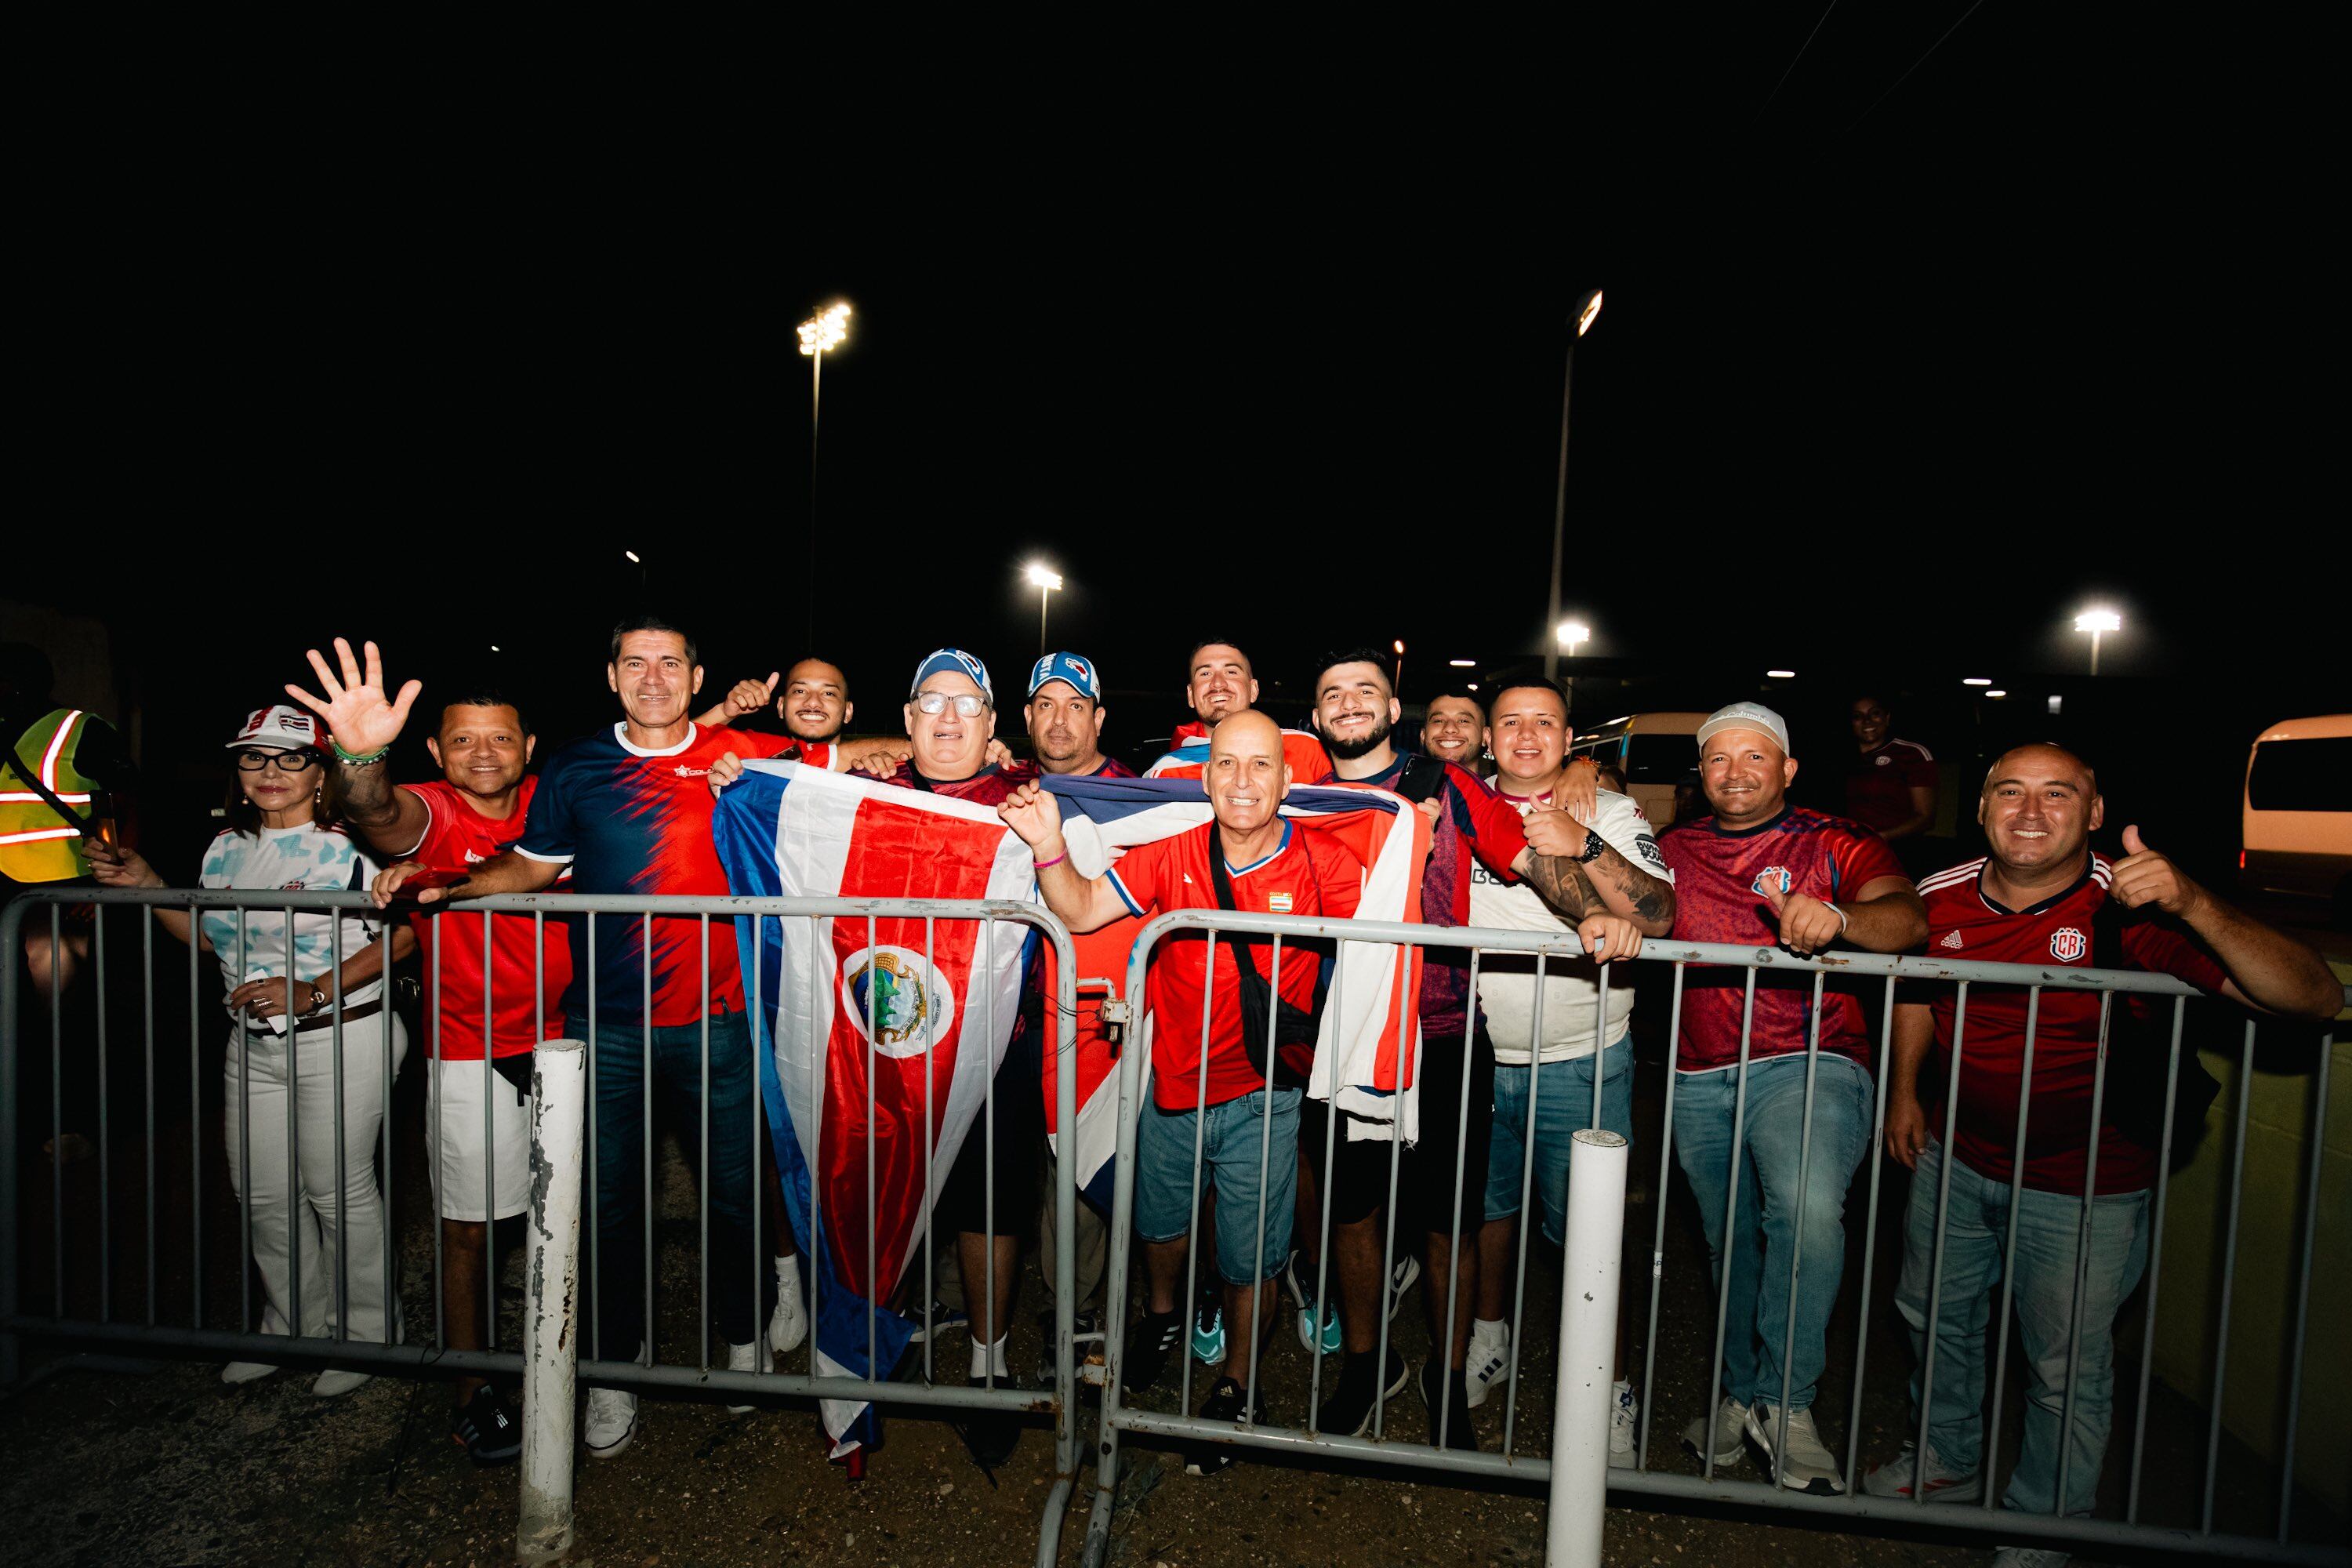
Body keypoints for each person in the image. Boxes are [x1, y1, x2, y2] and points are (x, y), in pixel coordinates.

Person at [1861, 746, 2339, 1566]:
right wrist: (1907, 1091)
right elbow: (1920, 984)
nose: (2030, 811)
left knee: (2064, 1366)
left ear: (2093, 812)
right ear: (1980, 809)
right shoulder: (1938, 896)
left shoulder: (2132, 910)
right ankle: (1943, 1462)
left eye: (2059, 794)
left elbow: (2316, 997)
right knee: (1936, 1320)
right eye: (2010, 791)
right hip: (1958, 1157)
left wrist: (2193, 900)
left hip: (2089, 1185)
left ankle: (2047, 1523)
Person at [384, 615, 811, 1461]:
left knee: (736, 1197)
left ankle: (742, 1340)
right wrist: (456, 885)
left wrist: (888, 749)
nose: (653, 676)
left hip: (721, 1018)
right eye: (635, 662)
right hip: (606, 1026)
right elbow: (532, 868)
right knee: (609, 1207)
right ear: (612, 677)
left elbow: (858, 760)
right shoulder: (577, 767)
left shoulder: (751, 755)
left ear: (696, 678)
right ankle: (615, 1365)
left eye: (670, 663)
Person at [1000, 710, 1364, 1471]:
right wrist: (1046, 844)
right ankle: (1162, 1319)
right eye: (1227, 764)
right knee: (1161, 1229)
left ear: (1286, 780)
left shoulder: (1324, 861)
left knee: (1250, 1261)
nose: (1242, 780)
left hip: (1267, 1098)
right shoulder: (1171, 854)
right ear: (1203, 777)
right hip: (1170, 1090)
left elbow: (1388, 935)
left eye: (1260, 765)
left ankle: (1239, 1381)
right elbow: (1078, 906)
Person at [717, 647, 1047, 1468]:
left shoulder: (1030, 799)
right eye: (931, 700)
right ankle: (862, 1361)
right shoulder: (866, 793)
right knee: (875, 1193)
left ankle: (987, 1358)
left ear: (992, 724)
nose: (948, 717)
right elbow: (791, 799)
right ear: (905, 720)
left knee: (990, 1205)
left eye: (967, 704)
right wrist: (740, 783)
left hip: (992, 1043)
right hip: (878, 1048)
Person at [1308, 648, 1624, 1449]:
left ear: (1392, 707)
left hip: (1444, 1031)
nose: (1349, 704)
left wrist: (1591, 911)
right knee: (1354, 1214)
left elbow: (1522, 856)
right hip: (1337, 1040)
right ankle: (1365, 1363)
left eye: (1365, 691)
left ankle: (1448, 1383)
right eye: (1333, 693)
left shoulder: (1445, 783)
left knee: (1449, 1220)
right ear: (1315, 716)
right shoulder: (1296, 783)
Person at [284, 639, 588, 1463]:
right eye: (462, 738)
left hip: (576, 1044)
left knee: (570, 1222)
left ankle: (565, 1367)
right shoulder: (431, 809)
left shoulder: (561, 804)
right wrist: (356, 749)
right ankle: (472, 1386)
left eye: (499, 737)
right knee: (469, 1231)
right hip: (471, 1048)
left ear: (530, 746)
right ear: (435, 749)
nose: (481, 752)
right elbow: (374, 806)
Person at [87, 705, 413, 1396]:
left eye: (292, 757)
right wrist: (148, 887)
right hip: (253, 1045)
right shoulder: (225, 849)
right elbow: (211, 940)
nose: (271, 771)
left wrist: (316, 990)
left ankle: (369, 1335)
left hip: (344, 1032)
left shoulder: (357, 846)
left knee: (338, 1189)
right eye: (254, 757)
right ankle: (290, 1324)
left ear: (322, 771)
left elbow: (409, 935)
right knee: (263, 1193)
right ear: (236, 770)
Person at [1659, 702, 1926, 1494]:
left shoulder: (1834, 839)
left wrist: (1841, 917)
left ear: (1788, 768)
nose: (1735, 772)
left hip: (1811, 1057)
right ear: (1701, 772)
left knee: (1805, 1214)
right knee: (1730, 1241)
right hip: (1699, 1068)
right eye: (1719, 759)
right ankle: (1743, 1392)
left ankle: (1788, 1400)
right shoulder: (1673, 847)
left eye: (1755, 757)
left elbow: (1909, 918)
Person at [1465, 680, 1675, 1465]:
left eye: (1543, 721)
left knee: (1591, 1236)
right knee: (1483, 1213)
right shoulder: (1461, 806)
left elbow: (1660, 914)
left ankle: (1607, 1385)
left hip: (1583, 1057)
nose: (1526, 735)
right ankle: (1490, 1335)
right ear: (1488, 737)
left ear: (1569, 736)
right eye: (1510, 721)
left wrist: (1580, 841)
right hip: (1477, 1054)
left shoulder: (1610, 811)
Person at [1021, 652, 1131, 1374]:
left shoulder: (1140, 797)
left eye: (1074, 705)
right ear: (1026, 718)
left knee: (1091, 1173)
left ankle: (1087, 1317)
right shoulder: (1008, 789)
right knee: (1032, 1171)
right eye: (1045, 705)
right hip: (1021, 1015)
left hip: (1104, 1019)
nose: (1059, 720)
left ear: (1097, 717)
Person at [1145, 639, 1333, 783]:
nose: (1218, 683)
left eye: (1231, 672)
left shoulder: (1305, 750)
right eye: (1205, 674)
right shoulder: (1166, 772)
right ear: (1191, 695)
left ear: (1253, 690)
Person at [1843, 694, 1939, 873]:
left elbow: (1925, 818)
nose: (1867, 721)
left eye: (1875, 714)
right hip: (1851, 852)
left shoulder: (1911, 754)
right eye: (1858, 716)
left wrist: (1881, 837)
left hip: (1900, 853)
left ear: (1887, 718)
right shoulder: (1842, 758)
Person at [1418, 688, 1488, 775]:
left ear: (1485, 736)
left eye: (1463, 721)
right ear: (1423, 736)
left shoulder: (1494, 789)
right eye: (1439, 721)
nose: (1449, 728)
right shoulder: (1400, 787)